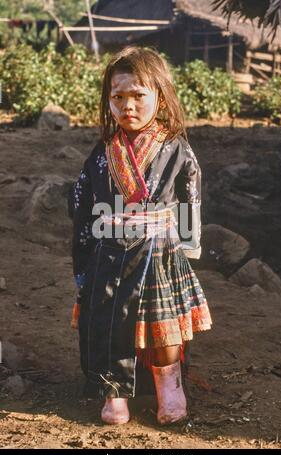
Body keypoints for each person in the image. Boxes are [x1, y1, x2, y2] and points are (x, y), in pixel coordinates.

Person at [71, 46, 212, 426]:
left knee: (162, 326)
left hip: (159, 250)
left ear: (160, 97)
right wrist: (85, 249)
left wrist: (186, 244)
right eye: (118, 97)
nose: (127, 106)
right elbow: (82, 201)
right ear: (108, 99)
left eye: (138, 96)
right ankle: (113, 391)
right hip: (109, 248)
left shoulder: (175, 148)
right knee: (109, 323)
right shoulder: (102, 153)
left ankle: (171, 389)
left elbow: (189, 194)